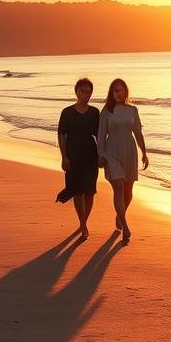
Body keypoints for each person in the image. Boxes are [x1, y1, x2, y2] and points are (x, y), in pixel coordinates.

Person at [97, 77, 148, 242]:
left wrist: (144, 152)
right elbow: (101, 135)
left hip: (129, 151)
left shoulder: (132, 110)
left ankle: (120, 216)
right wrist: (101, 155)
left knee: (128, 193)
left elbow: (138, 132)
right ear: (111, 93)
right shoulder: (107, 111)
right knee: (118, 186)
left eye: (120, 90)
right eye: (115, 90)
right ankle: (125, 227)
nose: (118, 93)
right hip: (112, 152)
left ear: (126, 91)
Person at [56, 77, 100, 238]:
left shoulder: (95, 112)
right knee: (77, 191)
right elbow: (61, 135)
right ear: (76, 92)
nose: (86, 95)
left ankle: (83, 223)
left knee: (89, 191)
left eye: (89, 92)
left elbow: (100, 135)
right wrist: (64, 157)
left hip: (91, 156)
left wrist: (103, 155)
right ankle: (82, 224)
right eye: (82, 91)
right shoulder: (67, 112)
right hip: (73, 156)